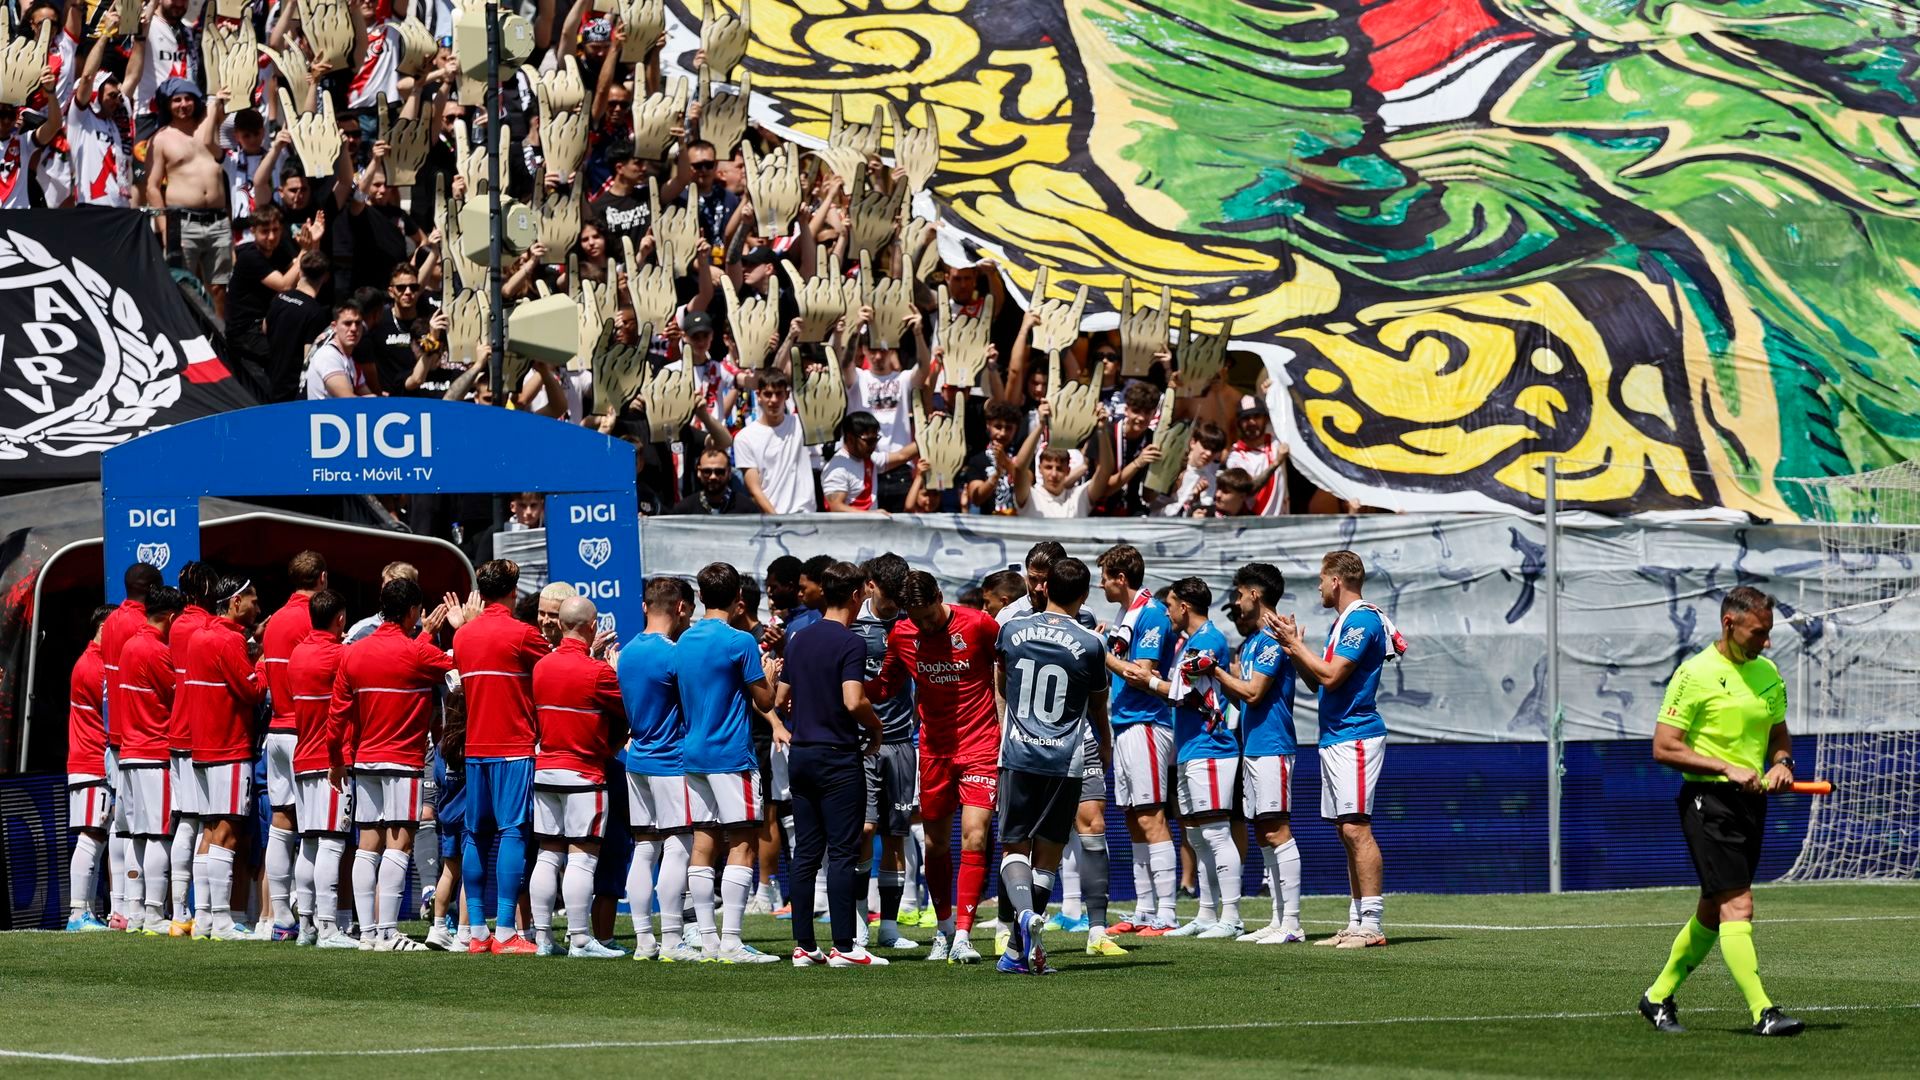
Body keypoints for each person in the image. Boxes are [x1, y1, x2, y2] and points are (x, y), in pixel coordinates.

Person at [1639, 586, 1804, 1037]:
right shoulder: (1694, 674)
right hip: (1706, 802)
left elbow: (1778, 735)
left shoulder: (1767, 672)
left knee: (1713, 910)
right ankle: (1763, 1011)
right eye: (1758, 633)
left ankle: (1656, 996)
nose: (1766, 642)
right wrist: (1725, 767)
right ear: (1729, 624)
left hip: (1752, 804)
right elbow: (1663, 747)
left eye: (1769, 633)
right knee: (1738, 904)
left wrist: (1781, 764)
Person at [1267, 550, 1398, 949]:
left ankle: (1372, 924)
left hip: (1356, 736)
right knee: (1346, 829)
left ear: (1337, 580)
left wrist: (1296, 646)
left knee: (1357, 827)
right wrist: (1293, 651)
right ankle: (1356, 921)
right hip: (1338, 735)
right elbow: (1318, 682)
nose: (1320, 587)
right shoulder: (1343, 622)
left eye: (1322, 580)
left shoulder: (1361, 618)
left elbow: (1332, 674)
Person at [875, 571, 1001, 964]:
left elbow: (1009, 669)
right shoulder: (902, 634)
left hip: (981, 744)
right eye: (915, 617)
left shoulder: (979, 625)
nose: (924, 625)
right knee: (934, 844)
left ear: (940, 597)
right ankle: (943, 929)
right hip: (933, 751)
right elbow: (885, 685)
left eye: (928, 615)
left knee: (975, 837)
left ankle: (964, 934)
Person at [993, 556, 1109, 975]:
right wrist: (1107, 750)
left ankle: (1020, 923)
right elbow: (1099, 708)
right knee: (1048, 856)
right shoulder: (1092, 643)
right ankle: (1020, 950)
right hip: (1066, 761)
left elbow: (1003, 684)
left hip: (1019, 753)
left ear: (1043, 587)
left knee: (1014, 846)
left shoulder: (1011, 629)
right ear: (1083, 595)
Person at [330, 577, 456, 951]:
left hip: (365, 760)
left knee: (367, 844)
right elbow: (456, 666)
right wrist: (439, 634)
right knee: (398, 845)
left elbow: (337, 715)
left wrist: (337, 761)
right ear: (414, 611)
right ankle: (387, 932)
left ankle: (368, 933)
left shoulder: (352, 653)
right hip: (402, 761)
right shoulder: (419, 651)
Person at [776, 560, 888, 968]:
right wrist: (875, 729)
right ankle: (845, 945)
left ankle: (804, 945)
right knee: (842, 852)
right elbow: (853, 700)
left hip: (802, 755)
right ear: (857, 595)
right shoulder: (850, 642)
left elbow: (777, 697)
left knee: (806, 852)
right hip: (837, 756)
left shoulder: (799, 638)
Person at [675, 562, 781, 963]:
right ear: (739, 600)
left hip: (694, 754)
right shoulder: (740, 642)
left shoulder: (683, 640)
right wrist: (769, 674)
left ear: (700, 598)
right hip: (731, 754)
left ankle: (706, 938)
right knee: (742, 844)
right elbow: (766, 702)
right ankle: (732, 942)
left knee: (703, 844)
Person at [1127, 577, 1241, 939]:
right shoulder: (1191, 642)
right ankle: (1207, 913)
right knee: (1195, 834)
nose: (1167, 611)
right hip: (1190, 746)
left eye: (1171, 604)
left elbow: (1181, 692)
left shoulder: (1208, 640)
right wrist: (1160, 682)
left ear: (1185, 607)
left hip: (1211, 746)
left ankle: (1232, 916)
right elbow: (1181, 689)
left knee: (1216, 833)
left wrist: (1146, 680)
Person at [453, 559, 551, 954]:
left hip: (475, 748)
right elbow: (554, 670)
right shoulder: (523, 634)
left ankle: (477, 931)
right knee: (513, 832)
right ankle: (507, 930)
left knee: (476, 834)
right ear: (514, 592)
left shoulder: (463, 637)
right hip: (513, 747)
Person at [528, 597, 627, 959]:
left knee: (548, 855)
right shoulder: (597, 672)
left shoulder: (541, 667)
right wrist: (611, 668)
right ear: (590, 627)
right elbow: (627, 707)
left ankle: (543, 938)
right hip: (584, 772)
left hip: (546, 770)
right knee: (582, 857)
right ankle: (581, 939)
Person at [1212, 563, 1304, 944]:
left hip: (1273, 746)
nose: (1235, 601)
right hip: (1254, 746)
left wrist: (1216, 673)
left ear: (1254, 594)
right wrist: (1223, 678)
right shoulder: (1252, 643)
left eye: (1238, 593)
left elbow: (1254, 693)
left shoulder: (1271, 639)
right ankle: (1277, 919)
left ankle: (1293, 923)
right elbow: (1242, 693)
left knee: (1276, 829)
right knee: (1263, 832)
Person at [1095, 544, 1179, 935]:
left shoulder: (1152, 614)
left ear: (1121, 578)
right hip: (1125, 722)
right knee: (1132, 816)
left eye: (1105, 577)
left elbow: (1140, 673)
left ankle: (1167, 911)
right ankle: (1145, 909)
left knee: (1150, 814)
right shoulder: (1126, 614)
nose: (1101, 584)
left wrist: (1101, 653)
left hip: (1147, 722)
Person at [617, 577, 698, 961]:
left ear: (646, 605)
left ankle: (644, 939)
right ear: (681, 608)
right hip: (670, 761)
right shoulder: (673, 654)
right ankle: (671, 940)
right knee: (679, 847)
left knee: (645, 849)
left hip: (637, 760)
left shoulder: (628, 652)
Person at [183, 574, 265, 941]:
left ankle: (204, 919)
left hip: (202, 748)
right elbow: (251, 690)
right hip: (229, 749)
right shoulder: (228, 639)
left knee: (209, 831)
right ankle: (221, 921)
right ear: (235, 602)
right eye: (252, 600)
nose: (257, 607)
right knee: (228, 835)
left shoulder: (199, 636)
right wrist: (261, 663)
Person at [258, 551, 328, 940]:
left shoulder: (274, 622)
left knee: (282, 822)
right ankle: (314, 917)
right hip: (306, 730)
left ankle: (280, 916)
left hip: (277, 731)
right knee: (318, 828)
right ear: (322, 577)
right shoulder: (313, 618)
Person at [852, 554, 919, 949]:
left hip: (900, 744)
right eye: (888, 595)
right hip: (859, 746)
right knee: (864, 829)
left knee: (896, 834)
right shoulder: (851, 623)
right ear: (871, 585)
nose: (894, 604)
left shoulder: (911, 623)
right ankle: (859, 921)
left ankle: (889, 927)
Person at [113, 584, 186, 935]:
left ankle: (136, 911)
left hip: (128, 752)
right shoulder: (156, 651)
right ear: (170, 617)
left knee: (137, 836)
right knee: (157, 836)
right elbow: (179, 698)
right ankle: (155, 913)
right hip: (154, 752)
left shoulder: (129, 646)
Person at [287, 588, 356, 948]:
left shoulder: (296, 654)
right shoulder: (341, 655)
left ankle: (308, 927)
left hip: (302, 757)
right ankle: (328, 928)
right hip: (334, 762)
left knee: (309, 844)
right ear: (340, 618)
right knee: (330, 843)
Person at [101, 563, 163, 930]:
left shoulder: (111, 622)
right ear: (153, 588)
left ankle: (121, 907)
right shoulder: (142, 627)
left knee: (121, 824)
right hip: (141, 733)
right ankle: (140, 909)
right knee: (145, 826)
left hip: (116, 734)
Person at [146, 79, 232, 319]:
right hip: (182, 222)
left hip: (218, 221)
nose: (183, 104)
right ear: (167, 104)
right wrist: (165, 228)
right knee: (182, 286)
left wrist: (220, 99)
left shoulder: (210, 123)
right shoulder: (161, 138)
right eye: (177, 100)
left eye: (188, 98)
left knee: (219, 287)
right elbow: (152, 188)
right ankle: (188, 342)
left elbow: (230, 112)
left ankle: (219, 342)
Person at [163, 563, 215, 936]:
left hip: (177, 728)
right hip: (201, 732)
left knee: (186, 820)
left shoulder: (177, 624)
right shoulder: (203, 627)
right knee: (203, 822)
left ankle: (181, 913)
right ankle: (204, 913)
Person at [66, 607, 115, 932]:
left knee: (98, 836)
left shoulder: (95, 662)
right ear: (102, 627)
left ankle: (87, 912)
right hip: (92, 760)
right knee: (92, 834)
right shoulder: (94, 666)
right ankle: (77, 914)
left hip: (94, 761)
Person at [732, 370, 817, 514]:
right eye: (768, 394)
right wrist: (776, 519)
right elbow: (754, 489)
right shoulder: (744, 437)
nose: (774, 400)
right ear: (758, 396)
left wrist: (820, 375)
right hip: (771, 522)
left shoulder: (802, 423)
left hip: (805, 518)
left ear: (787, 395)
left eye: (779, 394)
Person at [304, 302, 374, 399]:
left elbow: (366, 393)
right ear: (334, 327)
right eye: (347, 323)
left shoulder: (349, 360)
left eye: (358, 323)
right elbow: (347, 400)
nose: (353, 328)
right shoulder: (328, 355)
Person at [669, 448, 753, 515]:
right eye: (707, 472)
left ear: (729, 472)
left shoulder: (747, 509)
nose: (713, 477)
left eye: (719, 472)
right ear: (699, 472)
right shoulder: (684, 510)